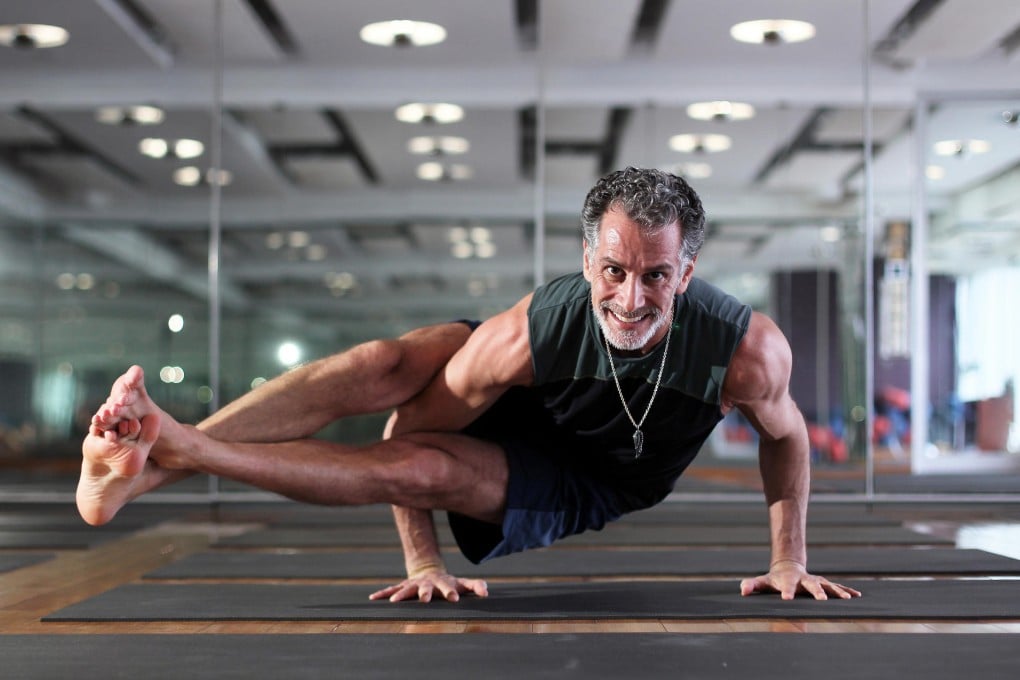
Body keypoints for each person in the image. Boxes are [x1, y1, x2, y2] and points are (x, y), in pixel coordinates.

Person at [78, 167, 861, 604]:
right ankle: (144, 468)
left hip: (595, 476)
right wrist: (423, 561)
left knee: (427, 470)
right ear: (587, 261)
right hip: (520, 391)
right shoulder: (529, 332)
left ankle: (172, 448)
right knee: (380, 365)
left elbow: (787, 437)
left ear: (686, 273)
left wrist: (788, 558)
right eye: (613, 271)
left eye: (656, 276)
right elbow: (408, 424)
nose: (630, 300)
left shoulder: (745, 351)